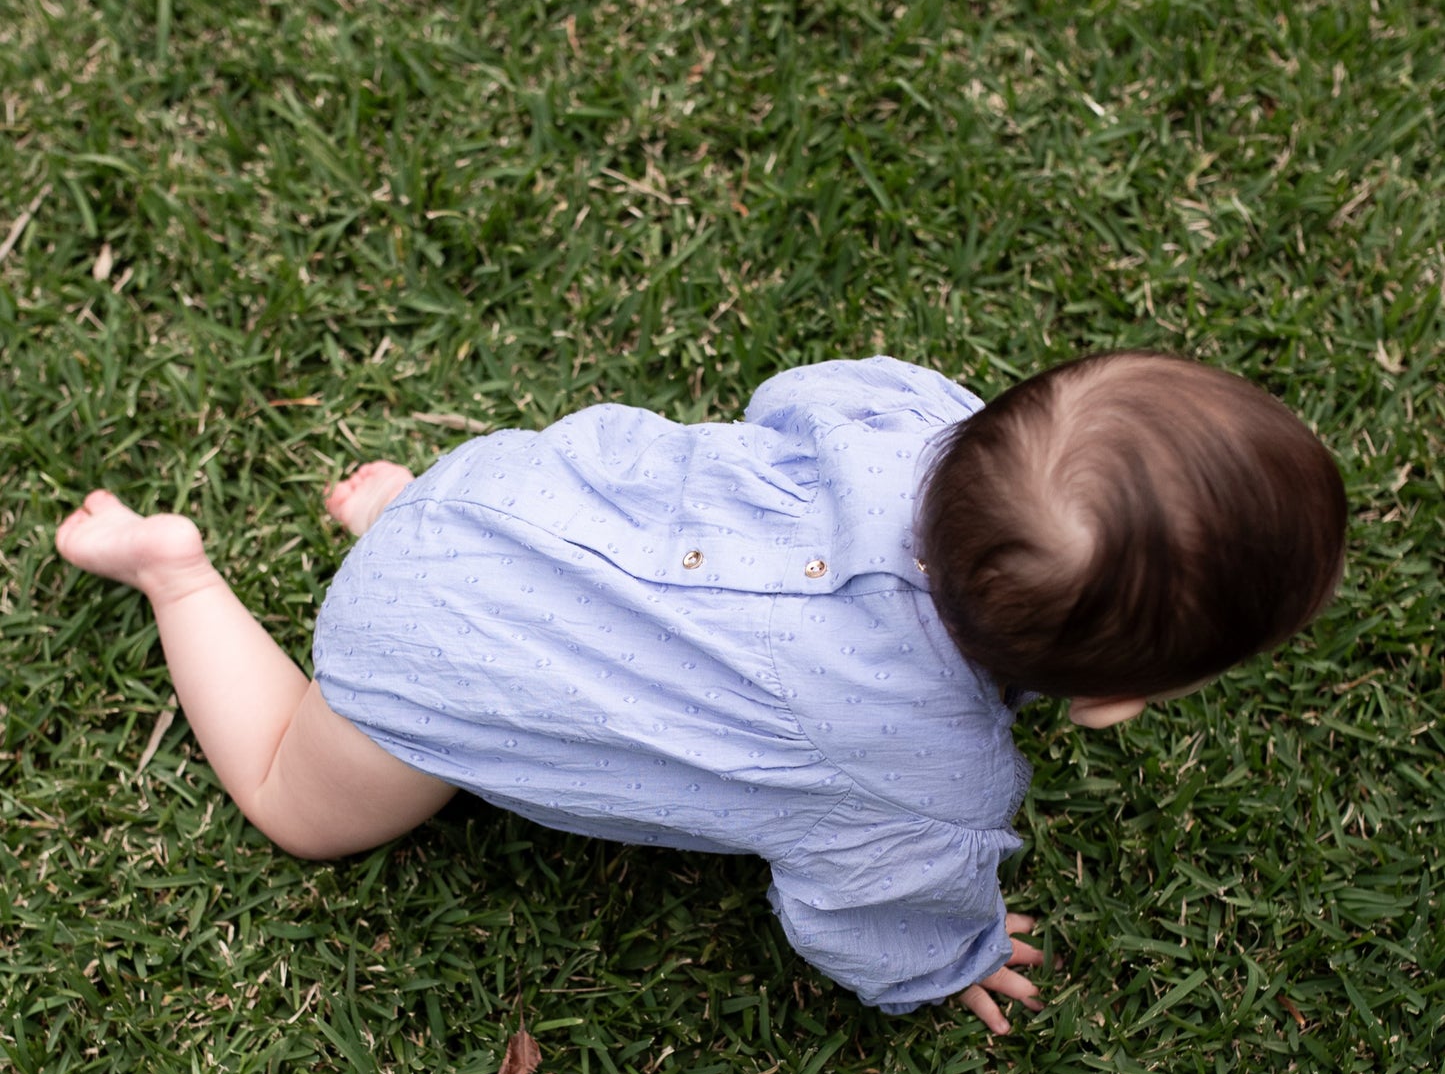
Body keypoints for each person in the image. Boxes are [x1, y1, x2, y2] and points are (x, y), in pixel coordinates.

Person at [54, 353, 1346, 1032]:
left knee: (505, 550)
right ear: (1116, 700)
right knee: (299, 794)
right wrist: (941, 956)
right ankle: (177, 578)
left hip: (511, 494)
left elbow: (781, 402)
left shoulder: (905, 419)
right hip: (430, 648)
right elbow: (854, 916)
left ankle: (412, 519)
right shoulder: (922, 782)